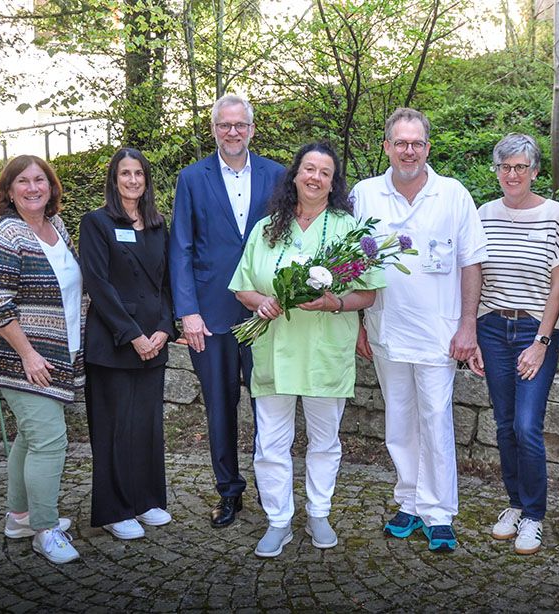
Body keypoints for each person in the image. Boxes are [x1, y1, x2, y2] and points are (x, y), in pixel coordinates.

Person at [228, 142, 384, 557]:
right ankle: (278, 520)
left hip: (323, 349)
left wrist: (335, 302)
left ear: (333, 184)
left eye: (325, 172)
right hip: (274, 347)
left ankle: (319, 511)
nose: (314, 177)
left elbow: (367, 294)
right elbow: (243, 284)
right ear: (294, 175)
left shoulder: (349, 230)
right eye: (308, 169)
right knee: (271, 443)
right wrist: (258, 301)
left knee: (324, 440)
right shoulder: (267, 228)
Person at [351, 108, 488, 552]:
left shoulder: (452, 194)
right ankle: (409, 501)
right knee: (399, 421)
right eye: (401, 142)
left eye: (417, 143)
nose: (409, 150)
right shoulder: (364, 195)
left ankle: (440, 512)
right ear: (387, 146)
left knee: (435, 419)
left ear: (428, 148)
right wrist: (358, 324)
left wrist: (468, 324)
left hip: (439, 333)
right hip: (386, 329)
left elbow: (472, 261)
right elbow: (349, 265)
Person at [169, 94, 286, 527]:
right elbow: (180, 247)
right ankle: (229, 492)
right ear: (214, 129)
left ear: (252, 129)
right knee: (220, 407)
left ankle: (272, 490)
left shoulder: (277, 175)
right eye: (224, 125)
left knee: (268, 407)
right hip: (211, 314)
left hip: (264, 312)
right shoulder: (192, 178)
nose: (232, 132)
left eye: (240, 125)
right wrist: (188, 312)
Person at [0, 155, 87, 564]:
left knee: (30, 437)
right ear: (8, 191)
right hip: (22, 360)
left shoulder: (56, 228)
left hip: (59, 352)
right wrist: (29, 355)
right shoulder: (2, 237)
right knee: (50, 440)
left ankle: (19, 517)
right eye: (22, 181)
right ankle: (44, 528)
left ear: (52, 187)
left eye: (40, 180)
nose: (33, 187)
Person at [467, 133, 559, 555]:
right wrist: (470, 332)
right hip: (492, 329)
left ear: (535, 171)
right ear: (497, 171)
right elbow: (473, 276)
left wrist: (543, 342)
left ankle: (534, 516)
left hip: (534, 332)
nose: (512, 174)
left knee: (528, 425)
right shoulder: (483, 214)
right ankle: (514, 504)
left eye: (521, 167)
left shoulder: (554, 214)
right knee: (504, 424)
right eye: (505, 167)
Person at [79, 148, 177, 540]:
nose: (133, 180)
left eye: (139, 173)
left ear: (147, 180)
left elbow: (167, 283)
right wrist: (134, 335)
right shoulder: (96, 223)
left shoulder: (157, 225)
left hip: (154, 341)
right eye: (125, 173)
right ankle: (115, 509)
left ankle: (146, 500)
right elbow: (98, 285)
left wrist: (165, 329)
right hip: (114, 344)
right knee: (115, 428)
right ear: (114, 179)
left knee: (147, 427)